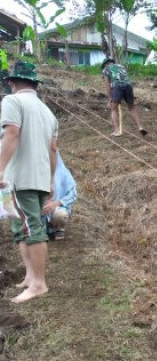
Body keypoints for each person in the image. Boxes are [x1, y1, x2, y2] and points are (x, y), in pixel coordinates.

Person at [0, 61, 58, 304]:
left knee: (31, 228)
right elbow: (53, 150)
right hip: (39, 178)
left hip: (19, 177)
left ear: (12, 83)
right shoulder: (48, 112)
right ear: (35, 84)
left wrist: (0, 170)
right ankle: (29, 276)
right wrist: (52, 181)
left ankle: (38, 283)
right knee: (20, 227)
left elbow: (11, 133)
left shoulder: (12, 101)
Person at [102, 58, 147, 137]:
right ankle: (140, 126)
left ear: (105, 64)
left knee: (113, 108)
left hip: (117, 86)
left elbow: (107, 85)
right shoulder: (121, 66)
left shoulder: (106, 69)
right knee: (132, 108)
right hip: (128, 86)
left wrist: (110, 98)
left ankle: (116, 131)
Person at [42, 151, 77, 241]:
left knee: (60, 214)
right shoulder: (37, 172)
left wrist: (55, 204)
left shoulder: (63, 173)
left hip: (57, 209)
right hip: (40, 209)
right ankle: (42, 229)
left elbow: (73, 194)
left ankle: (58, 228)